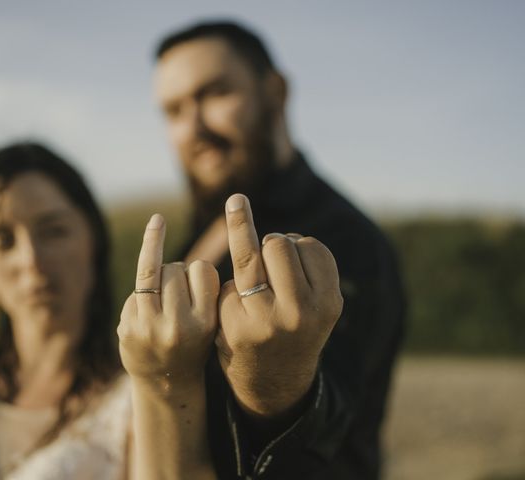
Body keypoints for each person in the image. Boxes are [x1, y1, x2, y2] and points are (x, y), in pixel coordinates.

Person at [153, 20, 406, 479]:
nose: (193, 127)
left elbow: (335, 420)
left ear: (275, 91)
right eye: (173, 111)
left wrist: (279, 388)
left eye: (215, 94)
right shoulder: (195, 233)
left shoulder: (347, 241)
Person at [0, 141, 219, 480]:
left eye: (54, 231)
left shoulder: (135, 402)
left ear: (93, 240)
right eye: (3, 240)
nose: (31, 260)